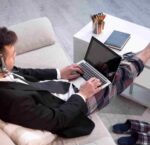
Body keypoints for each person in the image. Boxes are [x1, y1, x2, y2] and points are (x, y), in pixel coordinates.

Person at [0, 27, 149, 138]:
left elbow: (25, 73)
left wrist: (59, 73)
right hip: (70, 106)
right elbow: (57, 120)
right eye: (12, 55)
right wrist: (82, 95)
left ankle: (136, 56)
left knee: (105, 67)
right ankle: (146, 52)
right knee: (117, 77)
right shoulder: (12, 100)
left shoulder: (4, 72)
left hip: (54, 89)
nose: (16, 54)